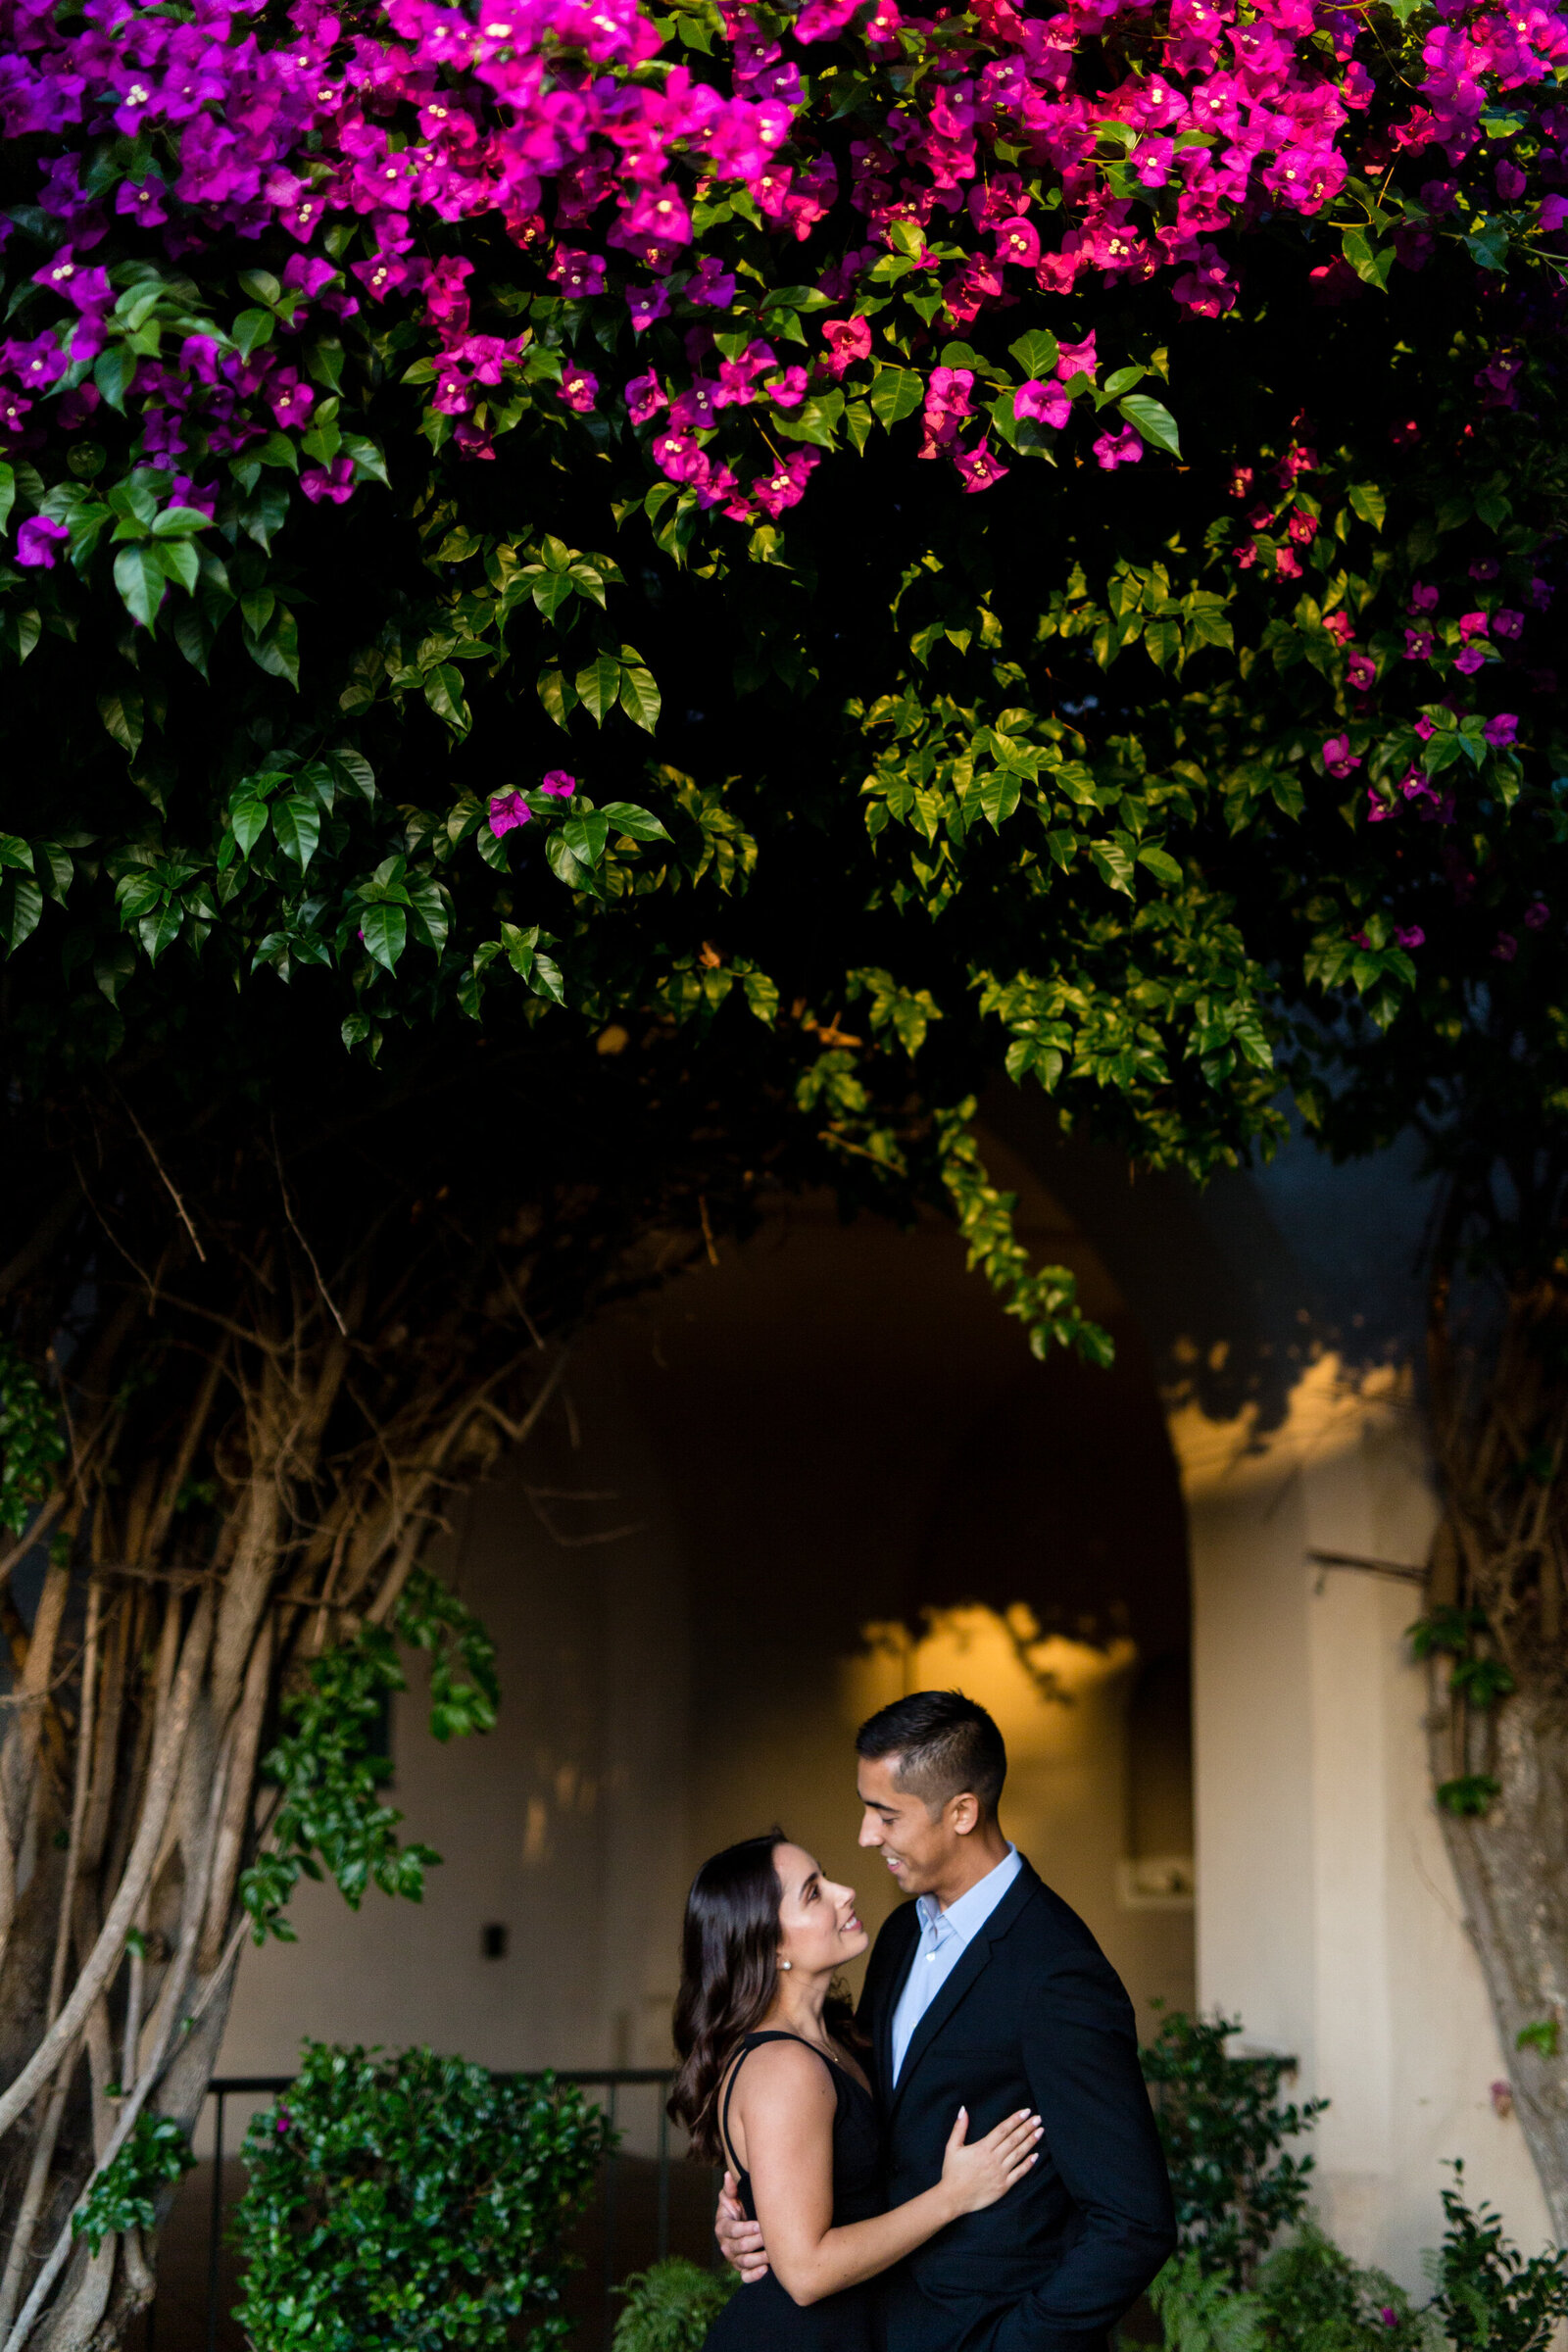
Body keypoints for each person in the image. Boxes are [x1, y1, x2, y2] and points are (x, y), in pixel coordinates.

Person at [715, 1692, 1177, 2352]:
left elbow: (1135, 2222)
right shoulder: (901, 1935)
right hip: (868, 2326)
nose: (866, 1836)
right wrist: (765, 2217)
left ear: (961, 1812)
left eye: (885, 1815)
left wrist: (1012, 2345)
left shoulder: (1056, 1971)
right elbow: (860, 2133)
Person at [669, 1830, 1044, 2351]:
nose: (844, 1891)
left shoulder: (841, 2038)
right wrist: (952, 2198)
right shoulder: (784, 2069)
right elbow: (805, 2274)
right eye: (813, 1892)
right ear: (770, 1942)